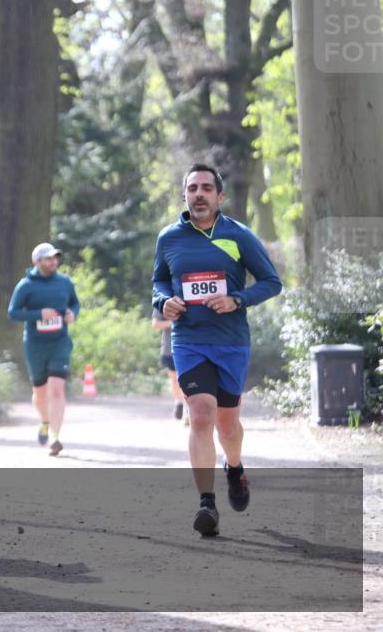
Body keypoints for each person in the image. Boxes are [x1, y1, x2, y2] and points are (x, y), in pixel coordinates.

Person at [152, 163, 282, 537]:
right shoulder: (169, 238)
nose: (199, 194)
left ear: (219, 197)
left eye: (207, 188)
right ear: (185, 195)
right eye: (192, 188)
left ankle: (235, 467)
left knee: (227, 427)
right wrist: (164, 301)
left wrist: (237, 299)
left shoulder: (238, 235)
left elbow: (271, 282)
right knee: (201, 413)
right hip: (189, 340)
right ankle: (206, 503)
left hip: (230, 343)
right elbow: (159, 279)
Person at [8, 243, 80, 456]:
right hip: (35, 344)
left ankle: (55, 437)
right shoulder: (26, 285)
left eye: (55, 258)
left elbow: (75, 303)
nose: (53, 262)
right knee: (39, 393)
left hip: (60, 342)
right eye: (48, 259)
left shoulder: (64, 282)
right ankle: (45, 422)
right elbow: (13, 313)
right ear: (37, 262)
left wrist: (72, 314)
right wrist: (39, 314)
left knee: (57, 389)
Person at [152, 307, 188, 424]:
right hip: (169, 348)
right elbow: (156, 324)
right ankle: (179, 404)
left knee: (188, 379)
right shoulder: (162, 300)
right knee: (175, 379)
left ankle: (188, 409)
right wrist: (174, 322)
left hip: (189, 348)